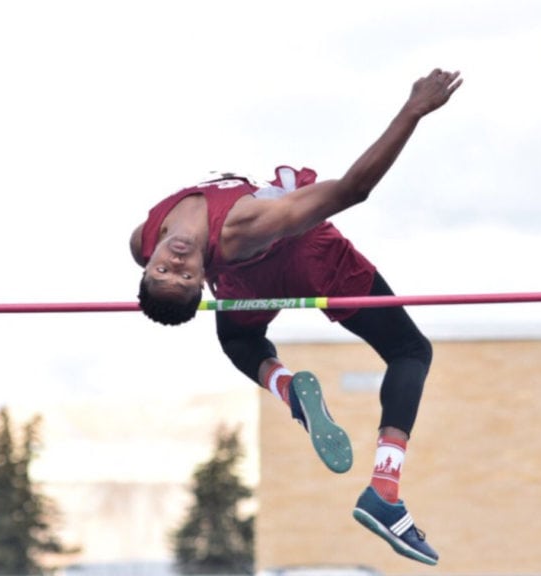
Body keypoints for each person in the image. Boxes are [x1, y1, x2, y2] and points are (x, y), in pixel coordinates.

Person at [129, 68, 462, 566]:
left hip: (246, 279)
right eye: (183, 274)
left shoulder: (142, 238)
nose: (175, 262)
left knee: (239, 340)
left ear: (150, 260)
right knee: (410, 351)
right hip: (307, 256)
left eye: (166, 269)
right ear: (201, 279)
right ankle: (384, 493)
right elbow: (353, 189)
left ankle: (288, 390)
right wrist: (413, 111)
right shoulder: (244, 225)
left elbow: (164, 269)